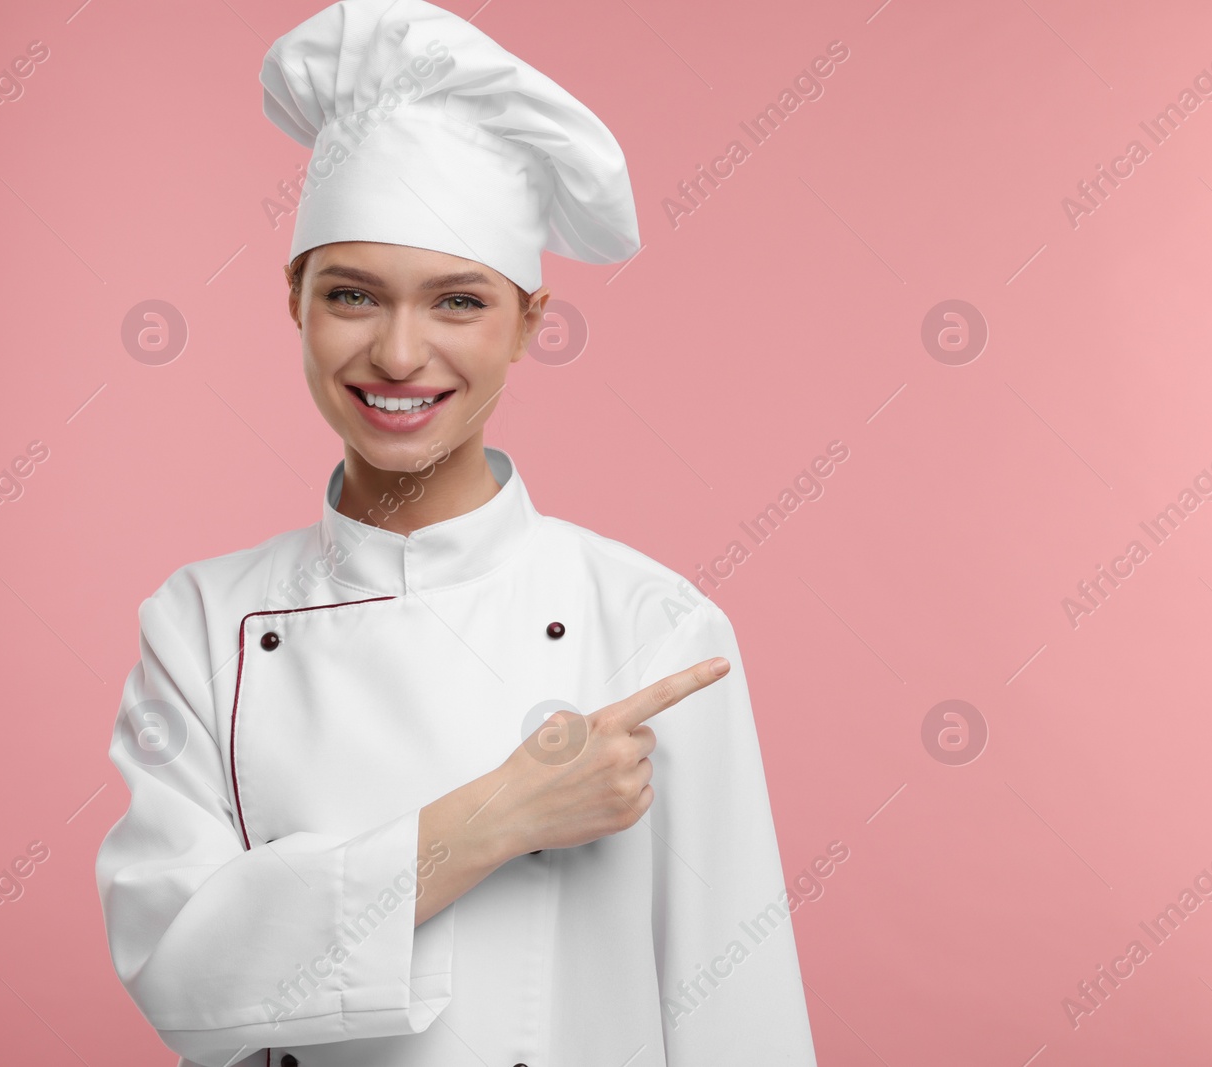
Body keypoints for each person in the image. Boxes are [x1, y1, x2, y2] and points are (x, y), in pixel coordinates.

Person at [92, 2, 818, 1065]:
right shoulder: (203, 620)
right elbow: (184, 975)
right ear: (294, 298)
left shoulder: (655, 624)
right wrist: (496, 816)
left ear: (529, 320)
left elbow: (736, 1006)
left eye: (457, 302)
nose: (398, 352)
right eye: (352, 294)